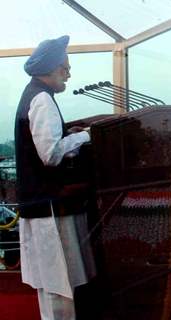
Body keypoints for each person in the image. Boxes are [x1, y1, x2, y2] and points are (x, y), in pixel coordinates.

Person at [15, 35, 95, 320]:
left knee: (55, 283)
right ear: (50, 70)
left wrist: (68, 137)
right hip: (48, 209)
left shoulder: (34, 95)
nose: (69, 74)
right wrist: (86, 137)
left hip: (42, 207)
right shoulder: (42, 100)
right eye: (65, 68)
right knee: (58, 284)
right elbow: (50, 154)